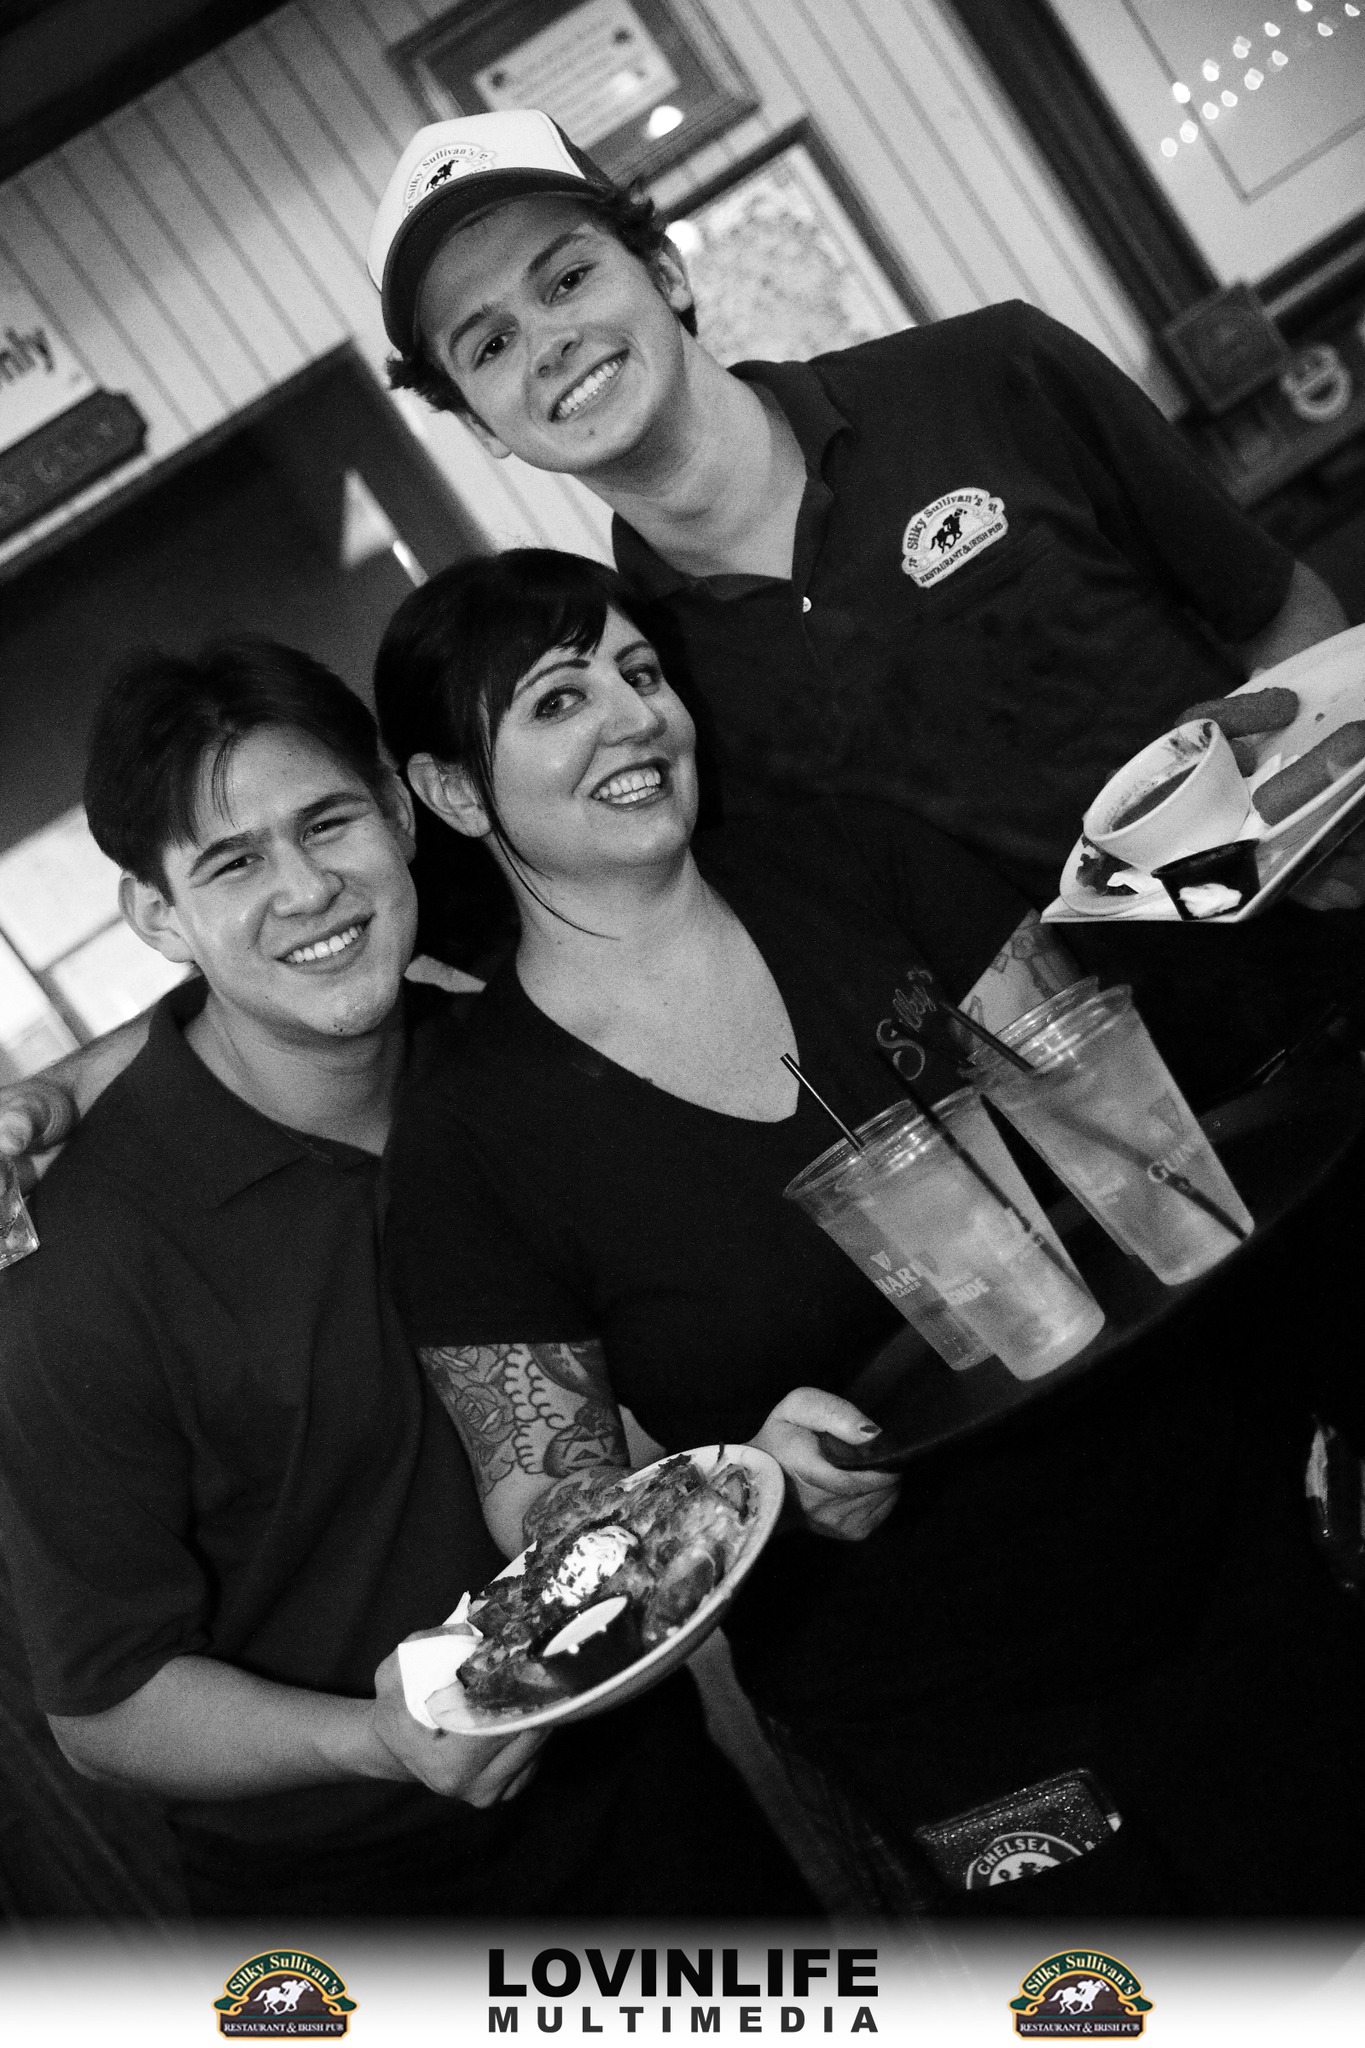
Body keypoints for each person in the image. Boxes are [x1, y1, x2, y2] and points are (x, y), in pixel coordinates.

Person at [371, 547, 1365, 1918]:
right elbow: (545, 1499)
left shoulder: (855, 859)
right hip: (946, 1698)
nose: (633, 716)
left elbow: (1106, 1106)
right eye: (557, 699)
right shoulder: (470, 1136)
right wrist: (741, 1481)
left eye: (641, 672)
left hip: (1218, 1526)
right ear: (450, 790)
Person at [0, 639, 816, 1922]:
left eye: (328, 821)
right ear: (158, 917)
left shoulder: (512, 1064)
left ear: (397, 809)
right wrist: (374, 1736)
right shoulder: (82, 1267)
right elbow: (106, 1704)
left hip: (655, 1783)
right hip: (362, 1892)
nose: (308, 888)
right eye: (233, 863)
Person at [366, 108, 1365, 1100]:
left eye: (567, 279)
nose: (546, 343)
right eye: (488, 344)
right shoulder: (641, 684)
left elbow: (1273, 607)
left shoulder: (995, 371)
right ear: (480, 425)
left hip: (1338, 973)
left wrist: (1311, 821)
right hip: (1119, 1135)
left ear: (664, 270)